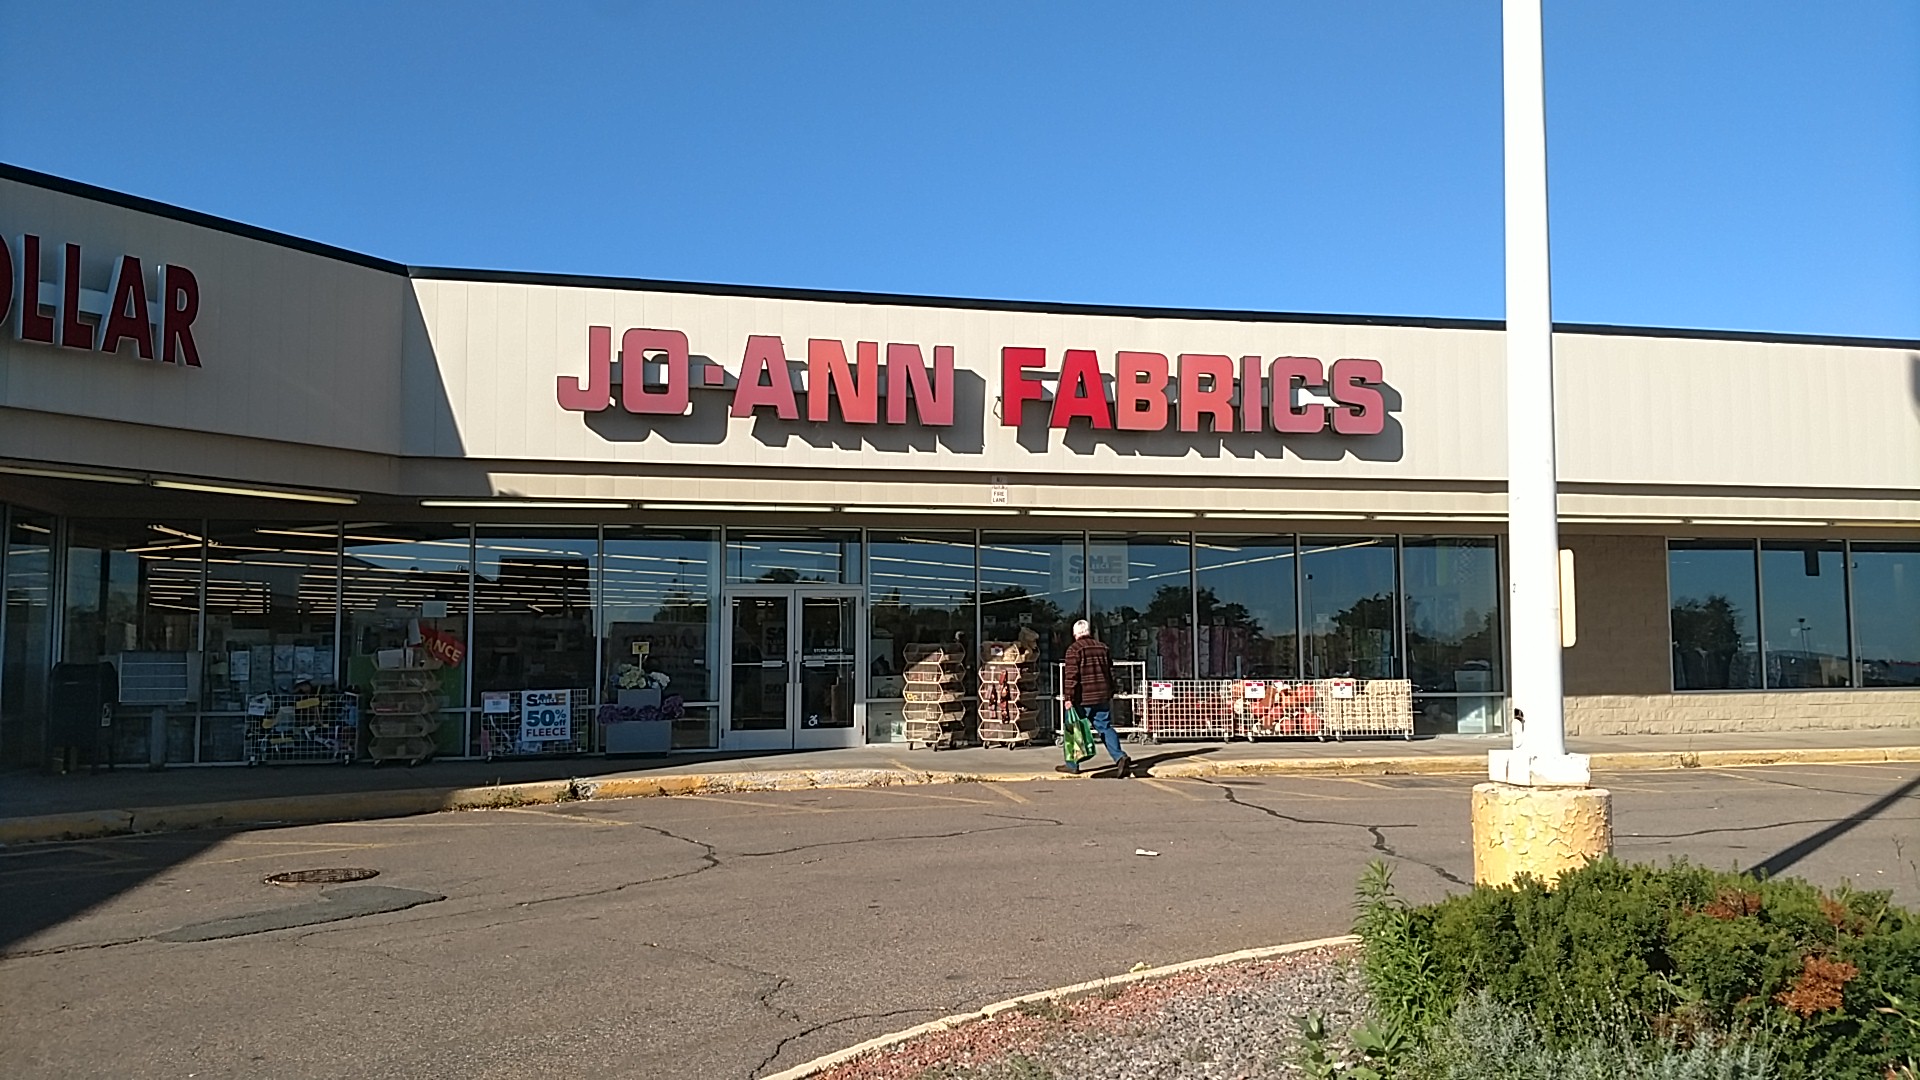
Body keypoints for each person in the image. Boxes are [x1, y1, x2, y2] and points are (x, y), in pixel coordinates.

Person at [1057, 619, 1131, 778]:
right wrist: (1112, 690)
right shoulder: (1103, 647)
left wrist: (1068, 697)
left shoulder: (1074, 650)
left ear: (1075, 634)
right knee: (1105, 727)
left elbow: (1071, 676)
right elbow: (1110, 672)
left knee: (1074, 729)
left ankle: (1072, 764)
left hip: (1081, 698)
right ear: (1089, 632)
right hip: (1102, 696)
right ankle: (1119, 757)